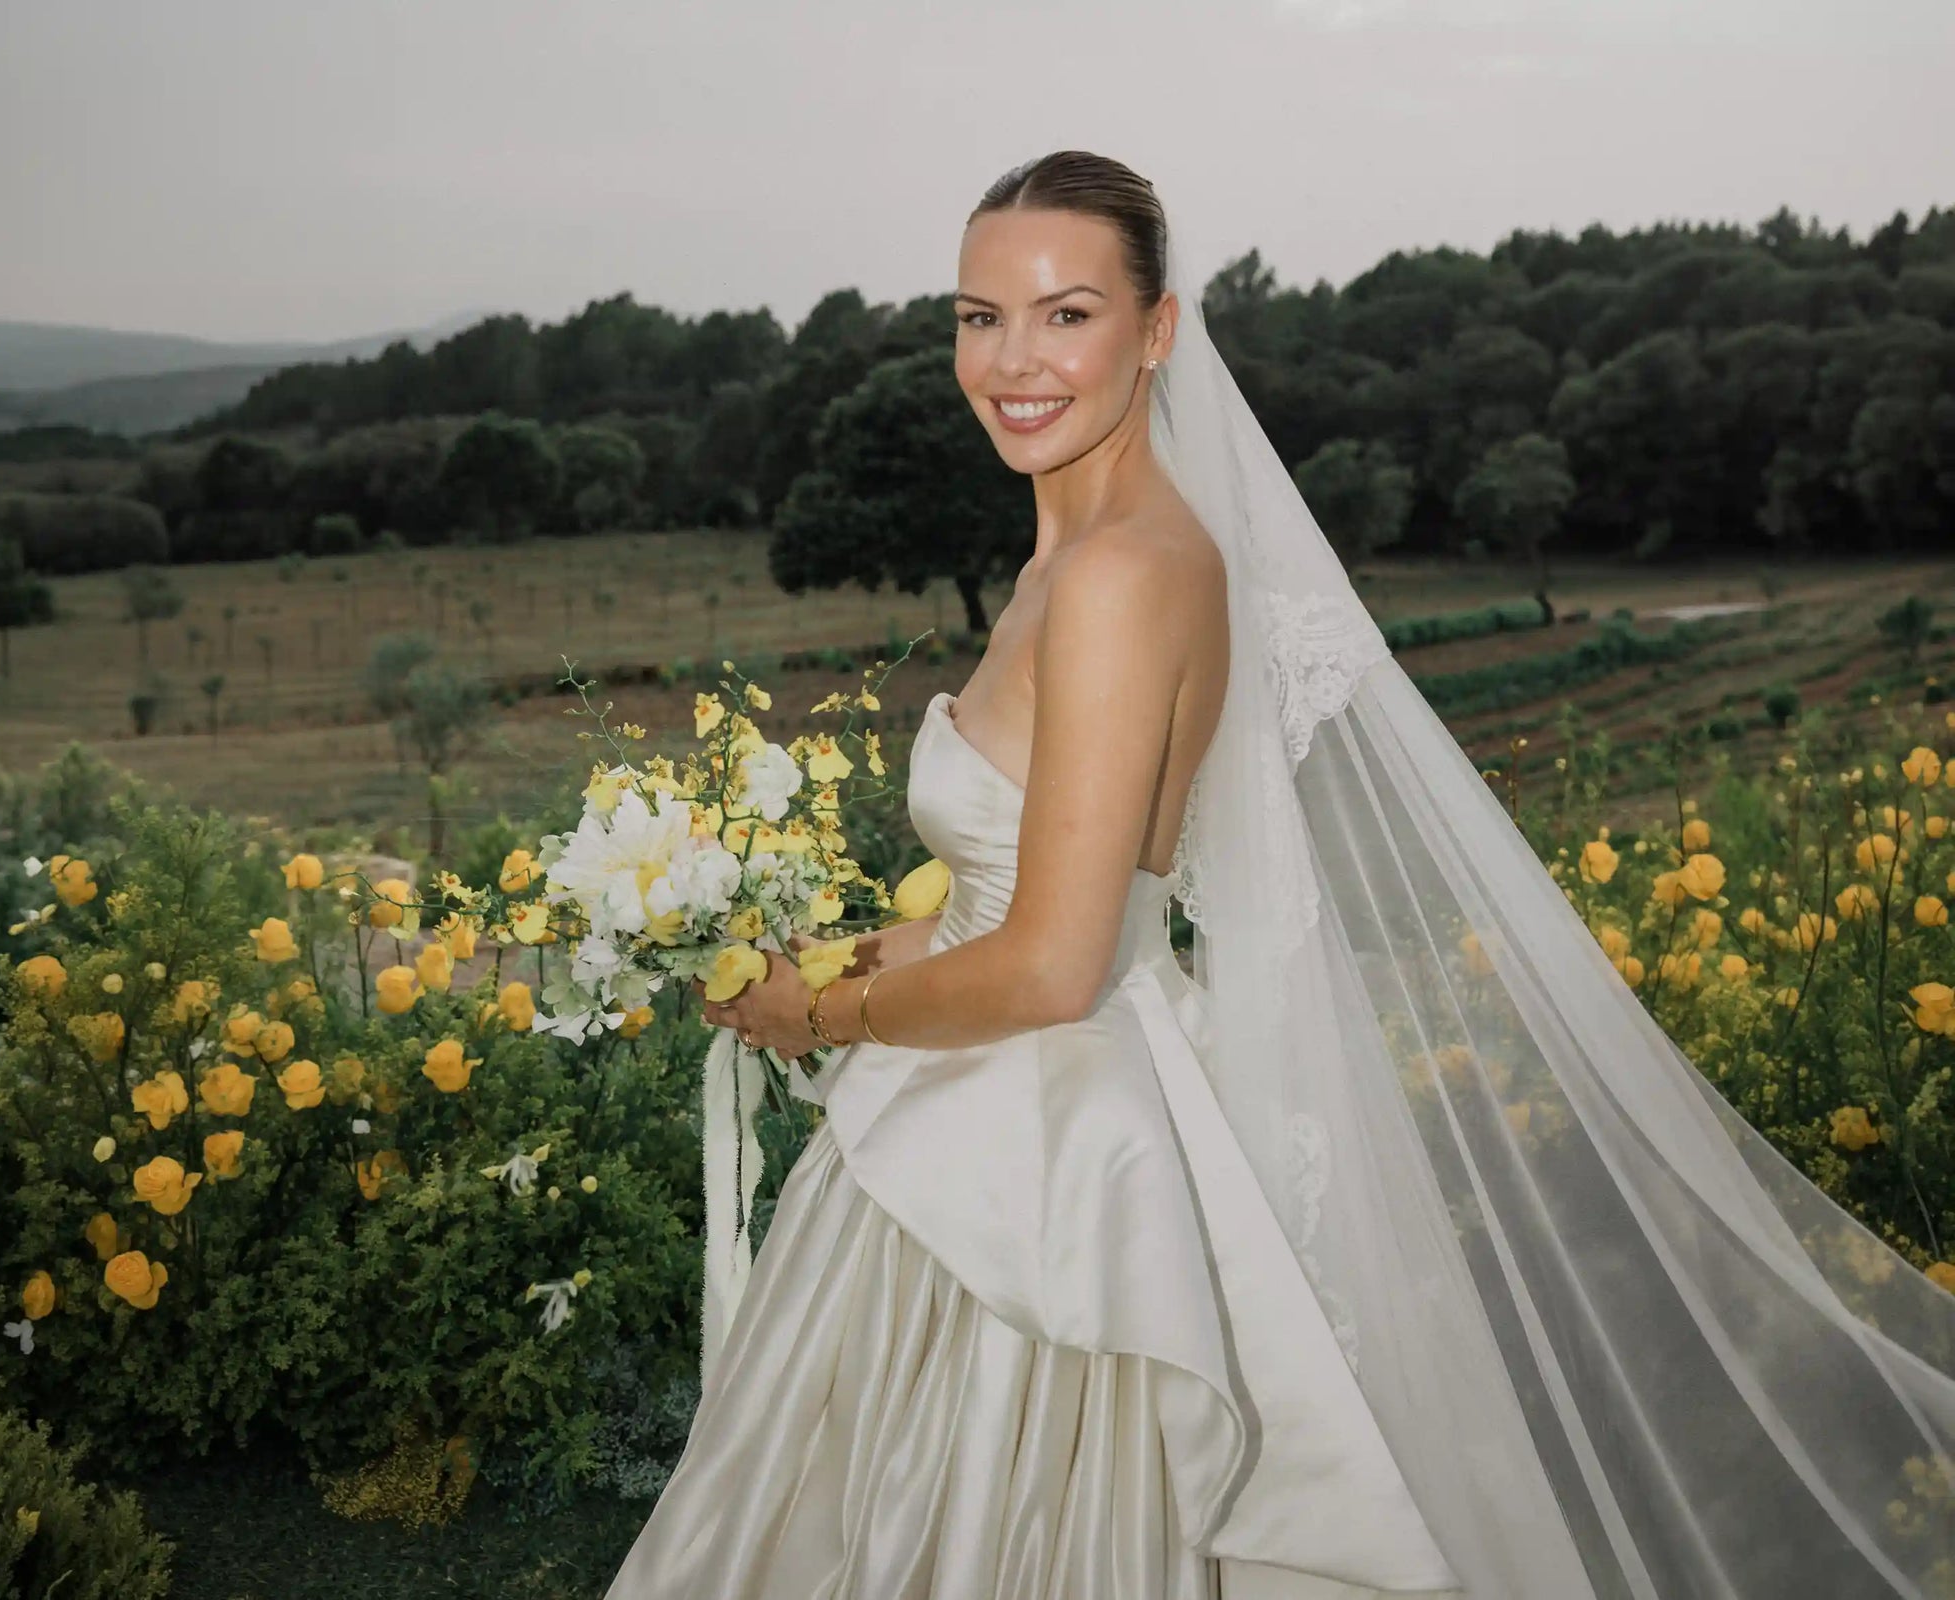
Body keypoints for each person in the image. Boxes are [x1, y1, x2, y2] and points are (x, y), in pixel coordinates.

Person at [609, 152, 1955, 1599]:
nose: (1011, 362)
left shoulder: (1126, 574)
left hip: (1045, 1144)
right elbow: (1033, 887)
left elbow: (1061, 963)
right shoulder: (1077, 557)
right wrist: (836, 955)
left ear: (1160, 330)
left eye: (1065, 315)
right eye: (976, 316)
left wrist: (820, 1020)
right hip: (991, 1089)